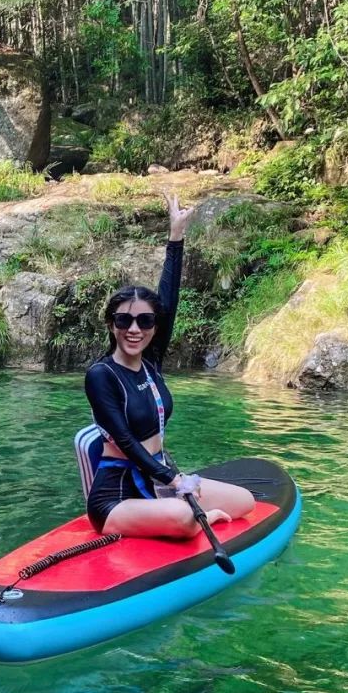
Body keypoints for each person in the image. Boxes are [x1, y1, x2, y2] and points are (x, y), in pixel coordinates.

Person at [84, 191, 256, 539]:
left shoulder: (150, 362)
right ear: (111, 324)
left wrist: (175, 237)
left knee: (245, 501)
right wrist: (176, 481)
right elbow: (127, 442)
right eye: (124, 321)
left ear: (154, 327)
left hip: (157, 477)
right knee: (184, 518)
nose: (135, 330)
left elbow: (169, 300)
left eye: (145, 322)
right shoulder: (101, 376)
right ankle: (188, 519)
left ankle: (188, 515)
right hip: (116, 497)